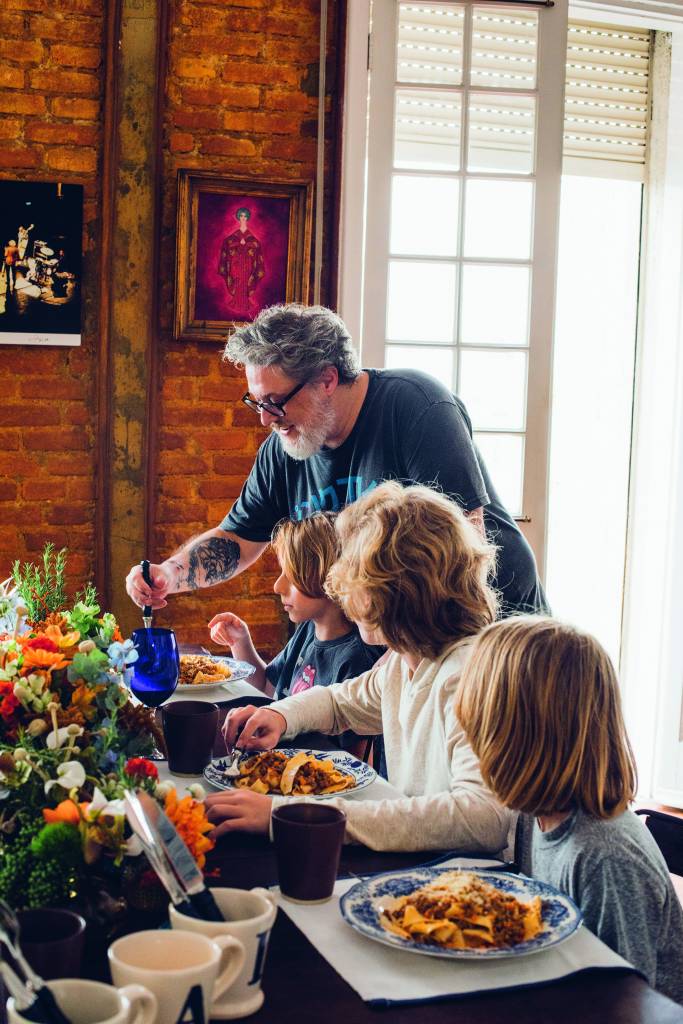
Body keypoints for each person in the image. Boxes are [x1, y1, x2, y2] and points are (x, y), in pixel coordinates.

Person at [126, 305, 549, 619]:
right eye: (256, 403)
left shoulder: (417, 406)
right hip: (389, 638)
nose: (265, 420)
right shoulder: (284, 449)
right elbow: (237, 540)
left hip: (494, 628)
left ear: (327, 379)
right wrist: (169, 574)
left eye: (275, 402)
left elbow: (461, 548)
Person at [204, 481, 512, 854]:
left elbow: (484, 820)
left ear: (399, 590)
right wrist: (281, 716)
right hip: (421, 864)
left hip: (464, 882)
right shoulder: (407, 659)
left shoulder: (469, 675)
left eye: (355, 574)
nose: (343, 590)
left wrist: (290, 815)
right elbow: (340, 703)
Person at [454, 616, 683, 1004]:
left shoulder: (605, 859)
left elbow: (626, 1004)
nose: (474, 748)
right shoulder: (534, 813)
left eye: (480, 731)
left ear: (520, 740)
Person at [207, 512, 383, 701]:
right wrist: (240, 642)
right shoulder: (308, 630)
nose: (277, 587)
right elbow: (267, 688)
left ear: (331, 577)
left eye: (292, 576)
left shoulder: (358, 661)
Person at [217, 207, 264, 321]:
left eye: (245, 216)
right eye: (241, 216)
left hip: (247, 265)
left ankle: (245, 304)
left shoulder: (252, 238)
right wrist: (238, 245)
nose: (243, 218)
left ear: (247, 218)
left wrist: (246, 245)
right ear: (238, 218)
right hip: (236, 265)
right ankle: (236, 303)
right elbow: (228, 247)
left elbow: (255, 249)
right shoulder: (232, 237)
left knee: (245, 281)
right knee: (237, 281)